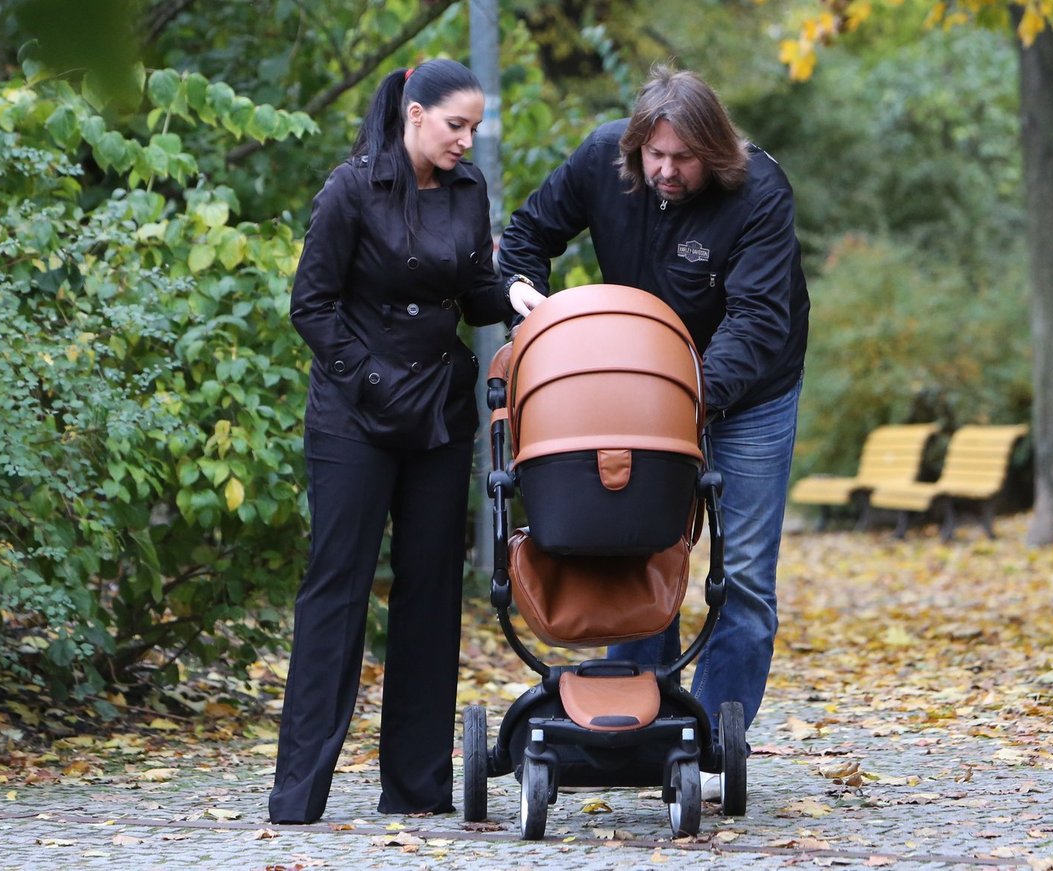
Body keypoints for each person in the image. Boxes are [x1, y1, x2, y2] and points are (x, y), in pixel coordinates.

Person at [497, 65, 810, 794]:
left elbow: (759, 323)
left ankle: (705, 743)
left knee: (745, 579)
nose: (666, 171)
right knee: (631, 546)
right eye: (654, 156)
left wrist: (680, 398)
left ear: (716, 153)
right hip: (634, 389)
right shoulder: (603, 158)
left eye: (684, 159)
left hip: (750, 391)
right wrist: (533, 312)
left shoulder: (759, 191)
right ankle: (635, 732)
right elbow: (522, 239)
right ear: (635, 145)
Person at [269, 59, 544, 824]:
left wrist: (514, 292)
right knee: (338, 590)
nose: (467, 140)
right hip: (355, 415)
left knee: (430, 592)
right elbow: (311, 305)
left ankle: (417, 788)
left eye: (475, 128)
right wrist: (370, 379)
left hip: (437, 415)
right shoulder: (351, 188)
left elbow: (473, 289)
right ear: (414, 114)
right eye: (456, 125)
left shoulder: (467, 191)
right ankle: (299, 795)